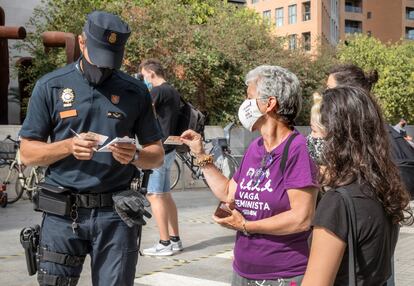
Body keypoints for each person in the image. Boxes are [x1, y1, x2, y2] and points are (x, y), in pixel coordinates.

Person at [19, 11, 164, 286]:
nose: (104, 68)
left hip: (116, 216)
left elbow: (156, 156)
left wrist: (135, 155)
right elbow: (27, 153)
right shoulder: (50, 86)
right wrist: (68, 146)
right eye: (99, 57)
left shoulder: (135, 91)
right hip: (62, 214)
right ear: (81, 43)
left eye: (111, 60)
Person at [181, 65, 318, 286]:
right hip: (244, 270)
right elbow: (228, 193)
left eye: (249, 97)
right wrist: (200, 154)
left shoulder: (297, 149)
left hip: (282, 274)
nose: (244, 105)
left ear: (269, 104)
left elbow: (301, 219)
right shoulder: (256, 147)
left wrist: (245, 226)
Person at [302, 86, 413, 286]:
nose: (310, 139)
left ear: (336, 138)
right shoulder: (383, 188)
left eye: (314, 130)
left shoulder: (338, 203)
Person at [138, 59, 183, 256]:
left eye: (143, 76)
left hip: (160, 149)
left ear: (150, 73)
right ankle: (175, 239)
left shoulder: (158, 91)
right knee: (164, 194)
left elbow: (142, 111)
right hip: (171, 147)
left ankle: (164, 243)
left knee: (154, 195)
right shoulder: (172, 90)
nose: (143, 79)